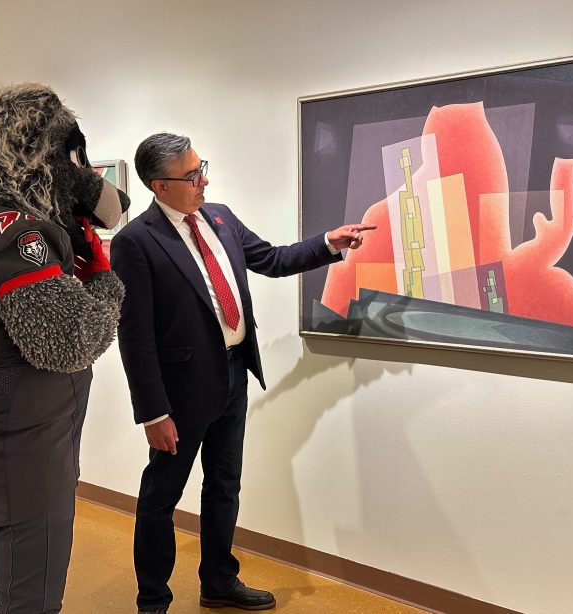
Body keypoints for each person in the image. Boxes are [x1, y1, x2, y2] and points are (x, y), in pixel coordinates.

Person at [110, 132, 374, 613]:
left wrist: (327, 244)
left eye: (201, 168)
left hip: (233, 374)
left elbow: (271, 258)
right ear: (159, 186)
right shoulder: (135, 242)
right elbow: (136, 335)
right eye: (192, 175)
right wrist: (153, 412)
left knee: (224, 485)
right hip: (179, 393)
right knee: (160, 498)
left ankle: (218, 582)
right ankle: (153, 601)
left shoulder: (221, 218)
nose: (203, 180)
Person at [0, 84, 129, 613]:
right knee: (31, 587)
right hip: (27, 424)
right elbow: (68, 341)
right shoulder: (17, 232)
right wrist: (104, 281)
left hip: (4, 413)